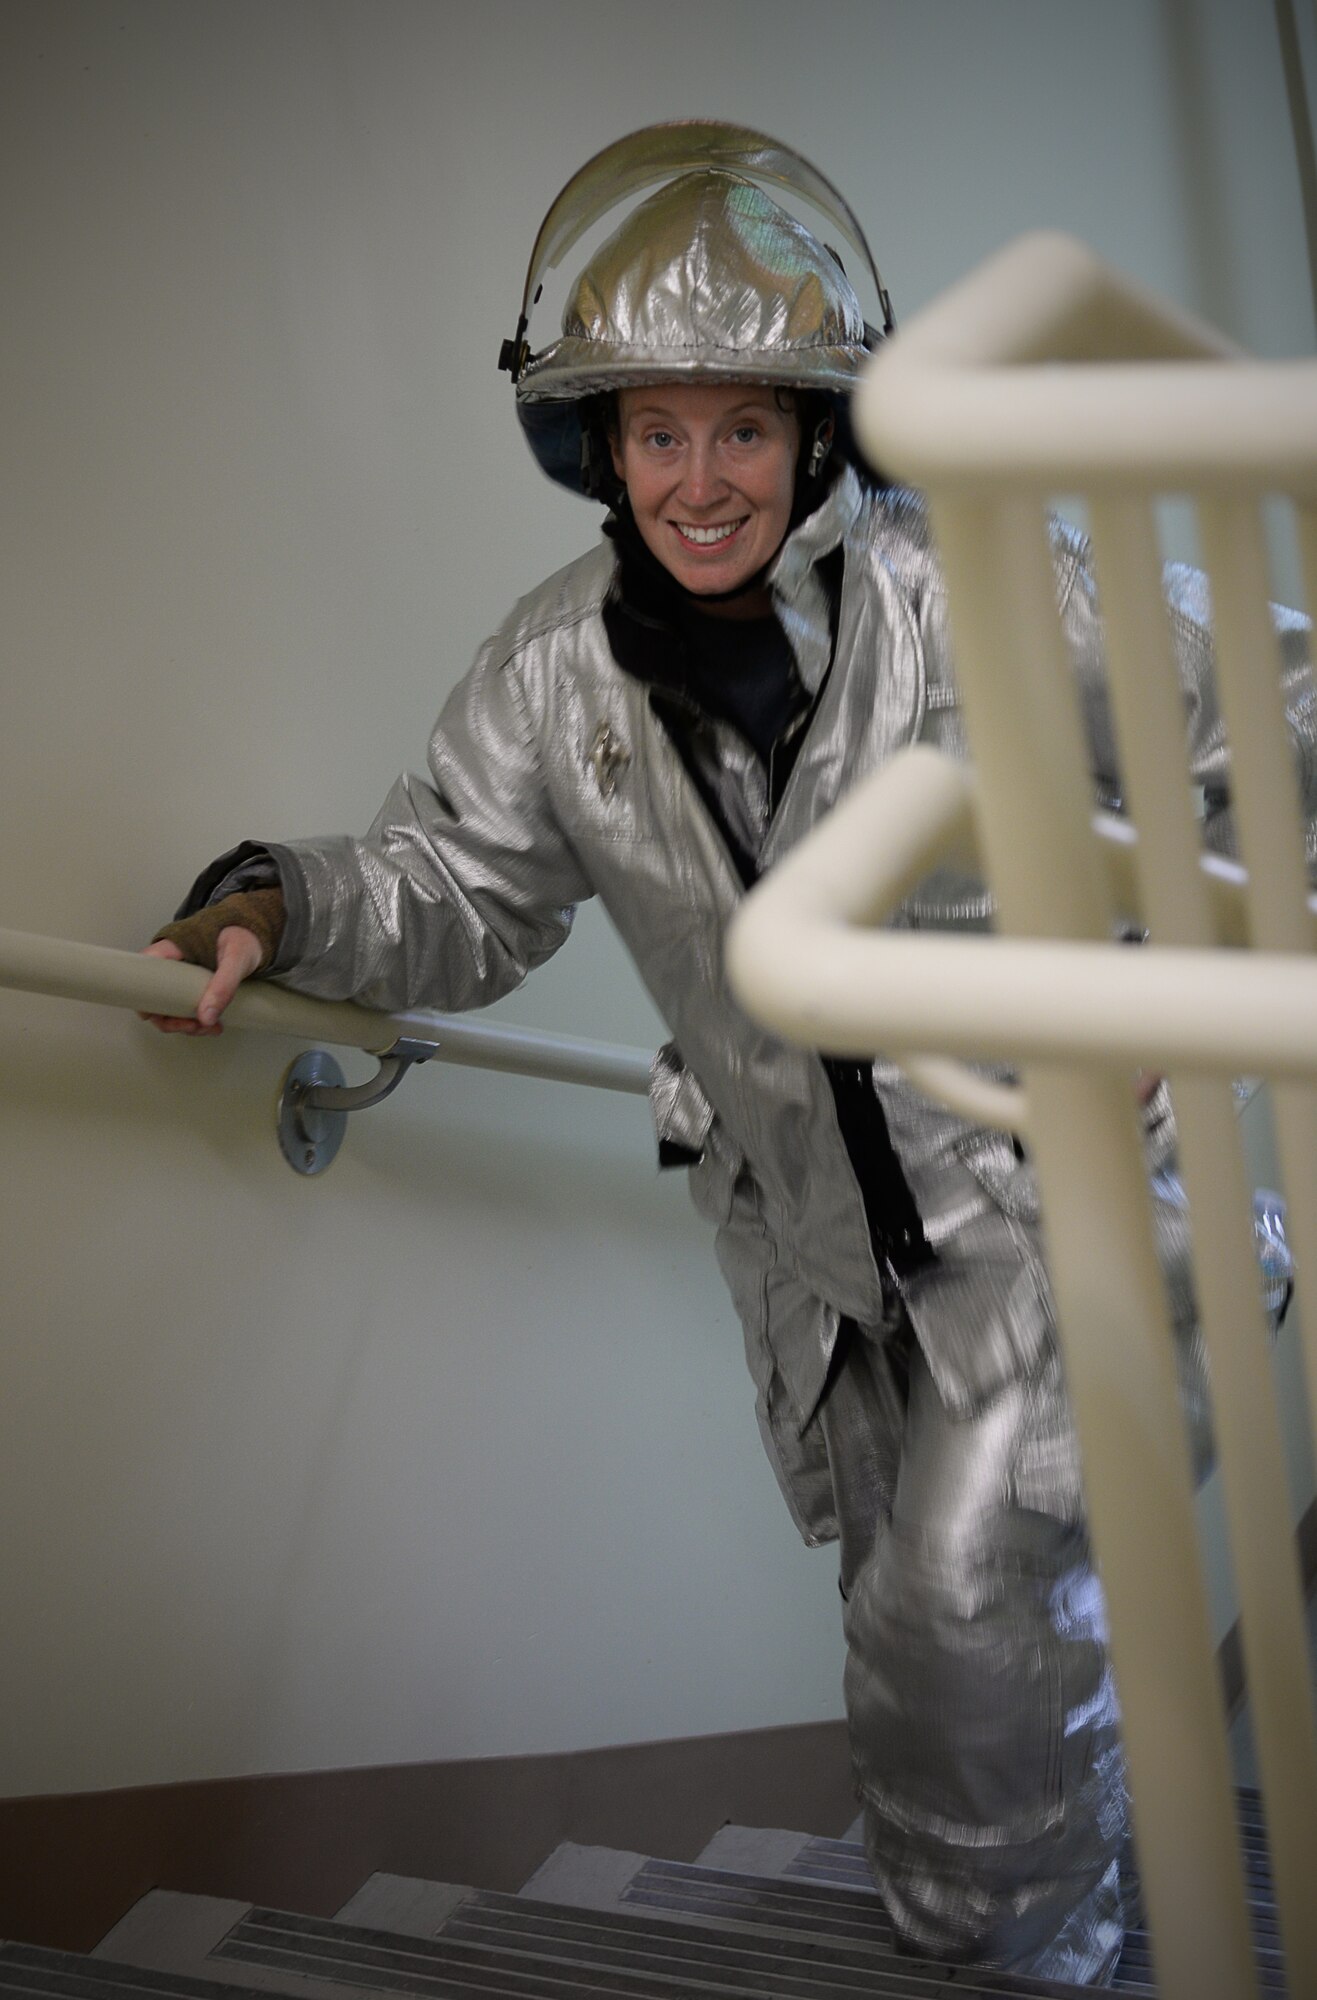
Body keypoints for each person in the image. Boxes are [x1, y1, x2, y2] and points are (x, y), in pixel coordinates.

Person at [141, 124, 1314, 1986]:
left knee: (961, 1620)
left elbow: (1284, 710)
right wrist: (271, 904)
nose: (702, 478)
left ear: (817, 432)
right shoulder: (552, 680)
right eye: (657, 430)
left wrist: (1181, 955)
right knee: (933, 1665)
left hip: (1066, 1208)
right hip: (824, 1267)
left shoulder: (989, 587)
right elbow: (459, 884)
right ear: (596, 447)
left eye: (743, 428)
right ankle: (1037, 1959)